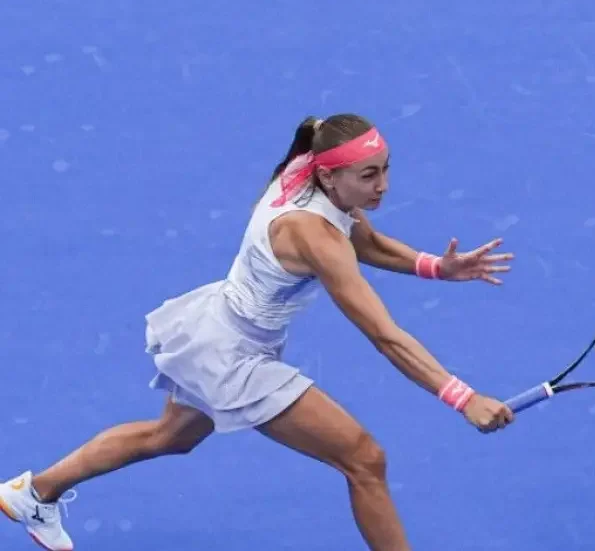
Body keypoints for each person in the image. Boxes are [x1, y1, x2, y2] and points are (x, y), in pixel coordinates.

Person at [0, 113, 517, 551]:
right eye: (368, 175)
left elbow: (367, 242)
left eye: (385, 170)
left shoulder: (308, 172)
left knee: (168, 437)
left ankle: (33, 493)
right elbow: (384, 335)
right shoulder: (313, 235)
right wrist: (462, 397)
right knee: (365, 460)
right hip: (234, 358)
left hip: (214, 330)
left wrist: (435, 267)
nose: (382, 186)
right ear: (330, 177)